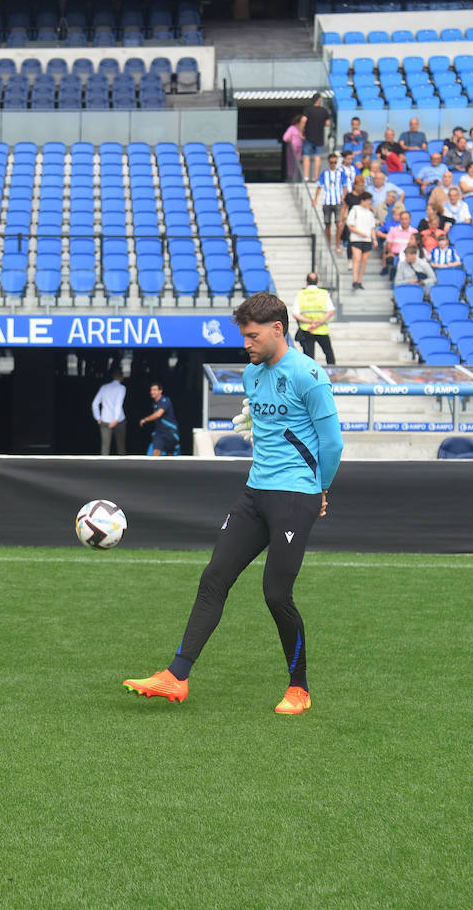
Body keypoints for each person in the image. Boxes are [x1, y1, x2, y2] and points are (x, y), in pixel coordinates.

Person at [124, 292, 341, 714]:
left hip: (296, 495)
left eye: (253, 335)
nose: (246, 344)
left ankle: (299, 688)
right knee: (214, 577)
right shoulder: (252, 375)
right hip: (255, 492)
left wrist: (321, 489)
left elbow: (332, 443)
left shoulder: (309, 375)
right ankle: (176, 676)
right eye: (244, 336)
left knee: (276, 594)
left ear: (278, 330)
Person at [290, 273, 335, 364]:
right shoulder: (324, 293)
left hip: (307, 329)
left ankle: (309, 377)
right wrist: (318, 323)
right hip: (322, 329)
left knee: (308, 358)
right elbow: (331, 311)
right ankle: (333, 375)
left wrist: (311, 322)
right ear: (318, 282)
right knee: (329, 354)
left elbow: (295, 314)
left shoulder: (300, 294)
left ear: (306, 282)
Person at [312, 153, 346, 252]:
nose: (333, 164)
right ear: (328, 162)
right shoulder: (324, 174)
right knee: (327, 224)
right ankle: (329, 244)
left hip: (338, 201)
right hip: (327, 201)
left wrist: (343, 196)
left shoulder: (340, 173)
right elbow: (319, 186)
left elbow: (344, 186)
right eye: (331, 162)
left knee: (338, 223)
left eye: (335, 162)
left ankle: (338, 245)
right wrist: (315, 199)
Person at [91, 367, 127, 455]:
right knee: (120, 446)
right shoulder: (121, 388)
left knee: (105, 447)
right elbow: (118, 404)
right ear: (121, 377)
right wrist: (115, 419)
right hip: (119, 420)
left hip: (105, 419)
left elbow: (94, 404)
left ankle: (103, 467)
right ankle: (123, 467)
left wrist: (98, 418)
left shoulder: (104, 387)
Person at [345, 191, 376, 290]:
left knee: (364, 260)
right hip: (356, 238)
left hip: (367, 239)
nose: (369, 202)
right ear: (363, 200)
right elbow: (350, 225)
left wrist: (374, 239)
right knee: (357, 258)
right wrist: (359, 233)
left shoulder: (370, 213)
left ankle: (359, 280)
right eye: (368, 200)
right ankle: (354, 280)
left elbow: (372, 228)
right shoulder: (355, 209)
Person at [139, 382, 178, 456]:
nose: (152, 392)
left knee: (170, 454)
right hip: (159, 432)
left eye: (154, 390)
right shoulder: (154, 404)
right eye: (151, 390)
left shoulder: (165, 401)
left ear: (160, 391)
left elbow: (158, 415)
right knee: (156, 452)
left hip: (170, 431)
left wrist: (145, 419)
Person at [300, 93, 329, 183]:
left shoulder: (308, 110)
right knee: (317, 157)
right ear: (319, 100)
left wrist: (301, 132)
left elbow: (303, 120)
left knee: (306, 156)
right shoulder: (324, 111)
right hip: (319, 137)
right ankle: (316, 177)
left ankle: (306, 176)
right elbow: (327, 123)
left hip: (308, 136)